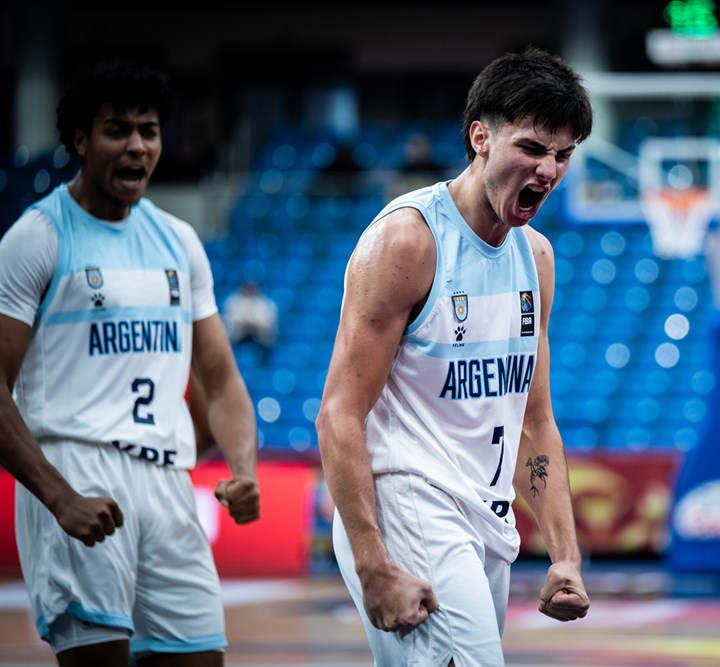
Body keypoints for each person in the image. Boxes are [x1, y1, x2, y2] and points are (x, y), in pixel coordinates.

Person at [315, 46, 593, 665]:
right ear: (480, 138)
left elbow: (534, 423)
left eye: (563, 154)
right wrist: (372, 563)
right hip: (407, 505)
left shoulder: (536, 259)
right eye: (532, 148)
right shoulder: (407, 242)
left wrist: (565, 555)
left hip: (482, 519)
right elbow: (338, 414)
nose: (548, 169)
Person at [0, 60, 260, 666]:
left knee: (200, 657)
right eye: (117, 130)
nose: (137, 146)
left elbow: (220, 382)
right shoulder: (36, 239)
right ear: (80, 141)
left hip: (167, 483)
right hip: (76, 469)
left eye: (149, 130)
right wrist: (58, 496)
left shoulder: (179, 239)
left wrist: (243, 467)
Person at [222, 280, 278, 364]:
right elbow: (231, 321)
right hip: (238, 338)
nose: (250, 291)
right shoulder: (233, 301)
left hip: (260, 340)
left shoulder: (266, 304)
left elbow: (267, 325)